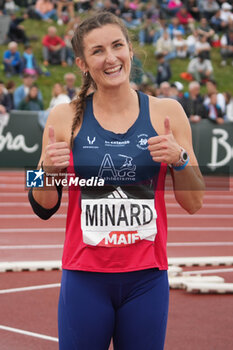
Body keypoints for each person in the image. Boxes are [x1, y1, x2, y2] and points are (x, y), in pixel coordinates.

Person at [28, 11, 204, 350]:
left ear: (130, 51)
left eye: (117, 46)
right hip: (85, 277)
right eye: (97, 51)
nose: (111, 58)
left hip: (147, 279)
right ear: (82, 62)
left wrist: (179, 160)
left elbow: (195, 202)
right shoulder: (63, 115)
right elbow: (41, 204)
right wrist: (47, 171)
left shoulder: (168, 112)